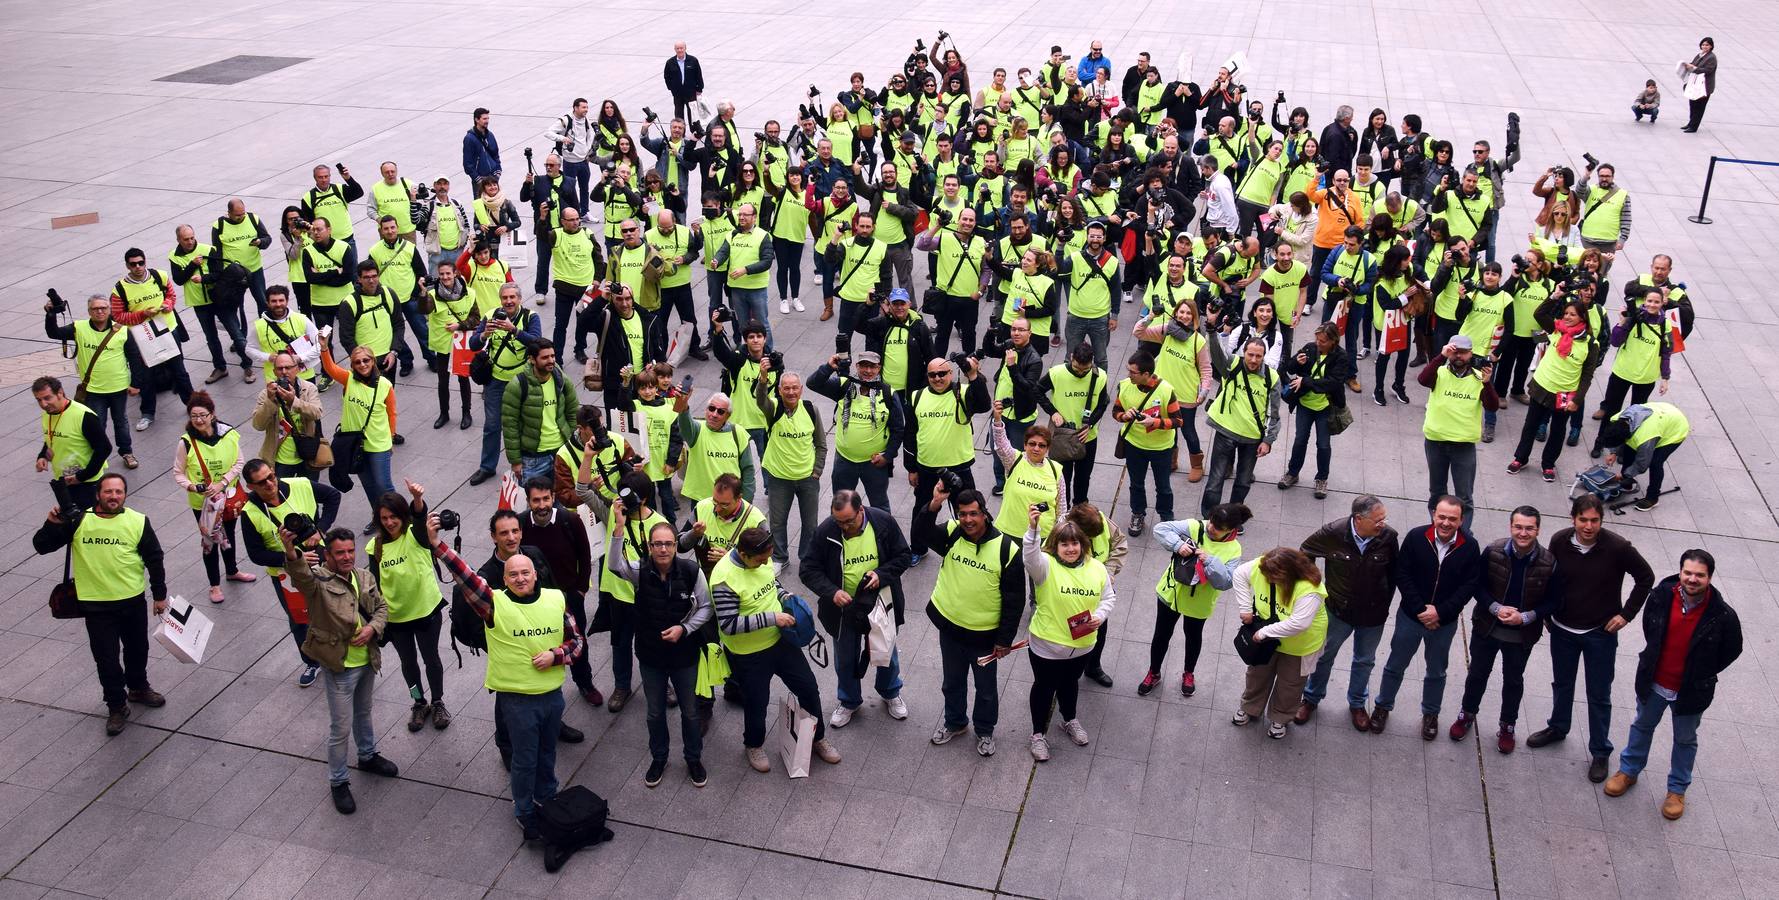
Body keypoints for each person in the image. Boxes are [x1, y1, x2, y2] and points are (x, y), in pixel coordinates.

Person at [433, 516, 584, 838]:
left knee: (547, 754)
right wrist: (438, 546)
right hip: (517, 702)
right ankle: (525, 811)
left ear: (535, 574)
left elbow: (577, 642)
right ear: (503, 578)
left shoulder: (556, 600)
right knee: (525, 760)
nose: (519, 578)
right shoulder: (493, 604)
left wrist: (556, 655)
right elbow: (465, 577)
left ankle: (547, 796)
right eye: (512, 574)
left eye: (525, 573)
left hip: (552, 697)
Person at [1526, 494, 1655, 783]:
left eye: (1594, 520)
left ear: (1601, 520)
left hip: (1599, 634)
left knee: (1599, 694)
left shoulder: (1619, 548)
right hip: (1563, 630)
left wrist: (1626, 615)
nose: (1588, 526)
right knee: (1562, 683)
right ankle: (1558, 727)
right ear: (1573, 519)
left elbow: (1646, 577)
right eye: (1583, 520)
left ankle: (1600, 750)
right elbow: (1548, 577)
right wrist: (1547, 613)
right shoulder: (1559, 541)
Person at [1603, 549, 1740, 820]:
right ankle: (1628, 771)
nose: (1692, 579)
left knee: (1685, 739)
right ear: (1680, 573)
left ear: (1709, 577)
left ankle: (1676, 790)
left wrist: (1703, 672)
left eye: (1699, 575)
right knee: (1642, 725)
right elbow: (1650, 628)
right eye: (1687, 573)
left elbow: (1732, 649)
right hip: (1654, 681)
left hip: (1690, 690)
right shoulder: (1661, 596)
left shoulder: (1722, 615)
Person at [30, 473, 167, 736]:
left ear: (125, 495)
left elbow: (154, 558)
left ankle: (138, 688)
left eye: (118, 492)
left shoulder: (138, 521)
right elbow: (41, 546)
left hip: (132, 601)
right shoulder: (79, 520)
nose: (113, 496)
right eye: (108, 492)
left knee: (138, 649)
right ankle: (116, 705)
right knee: (106, 660)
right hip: (96, 606)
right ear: (97, 494)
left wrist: (159, 595)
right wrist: (51, 524)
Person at [279, 524, 398, 814]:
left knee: (364, 712)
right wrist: (290, 551)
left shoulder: (364, 575)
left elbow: (382, 608)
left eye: (350, 551)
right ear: (328, 557)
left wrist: (372, 628)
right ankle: (338, 781)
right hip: (340, 666)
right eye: (340, 553)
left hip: (367, 660)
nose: (347, 557)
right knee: (340, 727)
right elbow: (299, 577)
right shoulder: (317, 580)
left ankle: (367, 755)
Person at [712, 527, 842, 772]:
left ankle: (818, 737)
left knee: (808, 688)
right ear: (743, 553)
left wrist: (785, 596)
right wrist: (773, 618)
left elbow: (772, 583)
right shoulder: (723, 579)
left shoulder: (763, 558)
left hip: (780, 642)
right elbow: (728, 625)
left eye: (767, 559)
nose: (764, 563)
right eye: (759, 560)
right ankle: (753, 744)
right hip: (749, 655)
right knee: (756, 702)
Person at [913, 482, 1021, 756]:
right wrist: (935, 503)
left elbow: (1014, 601)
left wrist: (1004, 640)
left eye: (973, 514)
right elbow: (920, 534)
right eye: (962, 514)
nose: (968, 520)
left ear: (985, 513)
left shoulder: (1006, 550)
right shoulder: (951, 533)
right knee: (952, 683)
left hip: (985, 638)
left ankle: (984, 731)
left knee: (985, 690)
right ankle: (955, 723)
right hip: (950, 629)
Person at [607, 517, 710, 788]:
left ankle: (693, 759)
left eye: (668, 544)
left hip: (684, 657)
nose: (663, 549)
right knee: (654, 713)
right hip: (651, 657)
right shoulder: (640, 571)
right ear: (650, 547)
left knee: (690, 712)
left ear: (676, 545)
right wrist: (618, 528)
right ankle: (659, 758)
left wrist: (684, 629)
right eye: (657, 544)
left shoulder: (690, 571)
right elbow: (614, 564)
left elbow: (706, 607)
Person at [1451, 506, 1560, 754]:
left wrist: (1525, 617)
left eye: (1529, 528)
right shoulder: (1493, 551)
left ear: (1538, 530)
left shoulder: (1549, 562)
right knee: (1477, 674)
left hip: (1521, 635)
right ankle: (1466, 714)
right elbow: (1476, 586)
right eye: (1518, 527)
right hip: (1487, 628)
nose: (1523, 533)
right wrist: (1495, 608)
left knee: (1513, 681)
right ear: (1511, 527)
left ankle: (1507, 726)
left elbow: (1554, 601)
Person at [1371, 496, 1481, 740]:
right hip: (1411, 617)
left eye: (1452, 519)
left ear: (1461, 520)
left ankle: (1431, 714)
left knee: (1437, 671)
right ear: (1433, 515)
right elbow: (1402, 573)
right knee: (1394, 665)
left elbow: (1469, 585)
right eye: (1441, 516)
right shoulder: (1416, 537)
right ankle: (1382, 706)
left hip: (1444, 623)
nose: (1445, 522)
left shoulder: (1470, 547)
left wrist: (1440, 613)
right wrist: (1421, 609)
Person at [801, 490, 911, 726]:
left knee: (885, 650)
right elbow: (808, 569)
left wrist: (881, 575)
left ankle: (890, 692)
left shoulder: (883, 522)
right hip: (843, 609)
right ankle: (849, 701)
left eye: (848, 521)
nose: (843, 527)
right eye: (838, 521)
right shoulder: (825, 531)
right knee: (845, 657)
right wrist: (832, 592)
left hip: (879, 602)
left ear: (861, 510)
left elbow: (903, 556)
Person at [1298, 496, 1399, 729]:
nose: (1382, 524)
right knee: (1323, 656)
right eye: (1378, 520)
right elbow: (1305, 551)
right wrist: (1313, 584)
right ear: (1358, 519)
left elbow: (1395, 572)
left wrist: (1385, 600)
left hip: (1373, 615)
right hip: (1337, 611)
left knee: (1364, 660)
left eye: (1384, 519)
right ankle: (1311, 699)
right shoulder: (1334, 532)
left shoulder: (1388, 537)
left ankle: (1357, 704)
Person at [239, 459, 342, 686]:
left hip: (321, 560)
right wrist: (292, 558)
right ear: (250, 487)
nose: (269, 484)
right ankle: (312, 662)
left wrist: (320, 528)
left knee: (335, 607)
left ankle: (342, 651)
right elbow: (255, 554)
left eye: (270, 477)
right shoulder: (250, 513)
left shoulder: (300, 484)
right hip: (286, 575)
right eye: (261, 482)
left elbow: (334, 496)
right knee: (300, 618)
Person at [1021, 507, 1114, 761]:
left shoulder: (1097, 568)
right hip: (1046, 646)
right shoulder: (1044, 566)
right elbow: (1029, 556)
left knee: (1070, 684)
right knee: (1044, 687)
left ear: (1083, 544)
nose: (1071, 549)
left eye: (1075, 543)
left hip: (1082, 645)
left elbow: (1108, 598)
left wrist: (1100, 616)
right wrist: (1033, 529)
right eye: (1064, 544)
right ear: (1055, 546)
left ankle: (1069, 719)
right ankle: (1038, 734)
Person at [1143, 504, 1249, 697]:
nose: (1210, 528)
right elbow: (1161, 529)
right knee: (1161, 635)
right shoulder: (1196, 526)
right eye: (1212, 522)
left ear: (1231, 531)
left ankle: (1188, 673)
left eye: (1217, 528)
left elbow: (1225, 582)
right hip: (1171, 594)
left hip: (1199, 601)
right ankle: (1154, 672)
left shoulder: (1234, 550)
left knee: (1193, 637)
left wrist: (1209, 560)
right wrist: (1178, 545)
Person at [369, 482, 450, 732]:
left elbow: (419, 515)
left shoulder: (416, 535)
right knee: (408, 664)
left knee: (431, 659)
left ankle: (437, 701)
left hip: (426, 612)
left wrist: (417, 499)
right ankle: (418, 701)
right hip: (396, 619)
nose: (390, 522)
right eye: (384, 518)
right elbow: (375, 585)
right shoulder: (375, 547)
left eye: (394, 516)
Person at [589, 470, 668, 714]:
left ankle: (664, 685)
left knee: (656, 643)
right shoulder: (616, 515)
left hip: (648, 597)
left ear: (644, 498)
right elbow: (583, 492)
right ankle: (622, 686)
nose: (624, 502)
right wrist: (619, 523)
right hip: (620, 596)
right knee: (620, 644)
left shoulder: (659, 524)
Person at [1229, 547, 1328, 740]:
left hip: (1300, 644)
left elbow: (1298, 624)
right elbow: (1240, 574)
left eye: (1274, 578)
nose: (1268, 580)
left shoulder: (1310, 589)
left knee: (1290, 683)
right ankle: (1250, 707)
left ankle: (1280, 718)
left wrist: (1264, 632)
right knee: (1257, 674)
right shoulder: (1264, 565)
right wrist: (1245, 607)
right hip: (1267, 639)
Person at [518, 477, 599, 710]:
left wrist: (581, 590)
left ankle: (585, 683)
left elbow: (585, 557)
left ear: (553, 498)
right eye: (536, 500)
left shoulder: (569, 520)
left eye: (546, 499)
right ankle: (548, 690)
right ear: (528, 501)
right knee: (540, 644)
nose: (542, 505)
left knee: (577, 641)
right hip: (536, 600)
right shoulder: (521, 524)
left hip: (569, 596)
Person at [903, 356, 990, 564]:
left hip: (959, 466)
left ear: (951, 373)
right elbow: (910, 434)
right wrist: (911, 468)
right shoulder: (917, 396)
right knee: (922, 511)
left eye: (942, 373)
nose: (937, 378)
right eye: (932, 374)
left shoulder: (963, 391)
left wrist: (973, 374)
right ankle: (918, 548)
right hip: (927, 468)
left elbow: (985, 404)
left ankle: (976, 545)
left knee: (971, 508)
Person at [172, 392, 257, 604]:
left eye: (203, 415)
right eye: (194, 416)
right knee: (209, 541)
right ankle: (214, 585)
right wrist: (193, 486)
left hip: (228, 498)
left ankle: (231, 570)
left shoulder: (228, 434)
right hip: (204, 504)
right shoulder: (186, 443)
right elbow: (178, 473)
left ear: (212, 414)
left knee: (228, 535)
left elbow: (239, 462)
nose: (199, 420)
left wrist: (222, 483)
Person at [1508, 300, 1598, 482]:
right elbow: (1539, 314)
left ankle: (1548, 464)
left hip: (1565, 394)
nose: (1568, 317)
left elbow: (1587, 376)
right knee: (1530, 425)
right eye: (1566, 313)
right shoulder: (1556, 329)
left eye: (1573, 314)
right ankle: (1520, 458)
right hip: (1542, 385)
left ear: (1582, 317)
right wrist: (1555, 296)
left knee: (1557, 431)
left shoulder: (1590, 344)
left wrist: (1577, 400)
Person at [42, 294, 134, 470]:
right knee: (97, 424)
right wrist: (50, 314)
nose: (99, 311)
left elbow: (134, 357)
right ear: (88, 311)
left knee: (121, 421)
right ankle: (96, 455)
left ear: (109, 310)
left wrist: (137, 383)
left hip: (118, 387)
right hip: (93, 389)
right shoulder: (79, 328)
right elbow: (53, 333)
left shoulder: (122, 330)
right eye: (95, 309)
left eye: (103, 308)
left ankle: (127, 452)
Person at [318, 340, 397, 534]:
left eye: (366, 360)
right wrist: (324, 348)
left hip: (378, 444)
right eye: (358, 362)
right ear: (352, 365)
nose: (362, 365)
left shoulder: (385, 385)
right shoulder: (348, 379)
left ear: (373, 362)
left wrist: (391, 438)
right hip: (354, 445)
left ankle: (399, 517)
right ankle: (378, 517)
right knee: (369, 485)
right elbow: (329, 367)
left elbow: (391, 413)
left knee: (383, 485)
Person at [110, 247, 194, 431]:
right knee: (146, 376)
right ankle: (147, 413)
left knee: (179, 370)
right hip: (143, 336)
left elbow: (171, 295)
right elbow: (117, 316)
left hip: (168, 329)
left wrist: (168, 305)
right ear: (127, 265)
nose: (138, 267)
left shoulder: (159, 276)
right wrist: (142, 315)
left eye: (141, 263)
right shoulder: (120, 289)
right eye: (133, 264)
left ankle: (192, 405)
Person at [1419, 335, 1498, 527]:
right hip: (1435, 441)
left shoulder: (1480, 379)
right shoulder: (1439, 372)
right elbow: (1422, 379)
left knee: (1464, 496)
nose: (1459, 356)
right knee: (1437, 492)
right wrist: (1440, 356)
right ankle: (1437, 529)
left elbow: (1492, 406)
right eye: (1455, 352)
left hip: (1463, 445)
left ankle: (1462, 536)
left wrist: (1487, 383)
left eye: (1463, 352)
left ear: (1471, 354)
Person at [754, 363, 827, 567]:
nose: (791, 392)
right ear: (779, 390)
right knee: (777, 522)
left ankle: (807, 557)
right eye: (786, 388)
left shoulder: (811, 409)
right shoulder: (773, 408)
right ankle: (779, 558)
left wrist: (817, 471)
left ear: (801, 389)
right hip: (779, 477)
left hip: (807, 478)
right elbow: (761, 400)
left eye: (795, 387)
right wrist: (763, 377)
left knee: (810, 523)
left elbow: (821, 443)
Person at [809, 352, 902, 511]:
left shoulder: (888, 394)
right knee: (840, 506)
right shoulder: (844, 385)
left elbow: (898, 429)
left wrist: (887, 456)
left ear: (878, 368)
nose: (868, 370)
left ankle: (882, 535)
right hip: (844, 461)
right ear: (857, 366)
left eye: (872, 366)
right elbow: (813, 383)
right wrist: (828, 367)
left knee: (880, 507)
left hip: (874, 463)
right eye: (864, 366)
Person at [469, 284, 541, 486]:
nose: (508, 301)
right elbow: (473, 344)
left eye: (512, 297)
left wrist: (514, 330)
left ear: (520, 299)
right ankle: (487, 467)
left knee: (525, 424)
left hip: (523, 382)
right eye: (504, 298)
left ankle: (527, 466)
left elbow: (537, 342)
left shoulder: (530, 317)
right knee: (492, 425)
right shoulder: (491, 315)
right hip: (496, 381)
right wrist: (484, 335)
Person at [1201, 336, 1281, 517]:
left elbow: (1274, 413)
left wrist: (1268, 440)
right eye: (1250, 355)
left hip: (1252, 439)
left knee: (1243, 481)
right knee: (1215, 480)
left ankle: (1233, 519)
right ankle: (1209, 518)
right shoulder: (1233, 364)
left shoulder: (1272, 378)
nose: (1253, 360)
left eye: (1258, 356)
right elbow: (1216, 354)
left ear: (1264, 356)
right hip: (1225, 431)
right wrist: (1213, 331)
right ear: (1243, 353)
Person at [1590, 289, 1673, 457]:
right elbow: (1615, 341)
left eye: (1656, 302)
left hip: (1646, 378)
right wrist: (1622, 322)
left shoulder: (1666, 324)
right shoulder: (1634, 317)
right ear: (1644, 300)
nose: (1652, 305)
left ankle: (1625, 448)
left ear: (1662, 303)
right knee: (1611, 411)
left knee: (1636, 416)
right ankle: (1601, 441)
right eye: (1649, 301)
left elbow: (1666, 352)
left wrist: (1665, 378)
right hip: (1622, 372)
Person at [169, 223, 253, 384]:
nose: (190, 241)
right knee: (211, 337)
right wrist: (192, 265)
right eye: (186, 239)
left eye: (192, 237)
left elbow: (220, 273)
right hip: (199, 303)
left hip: (220, 299)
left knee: (236, 333)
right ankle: (220, 367)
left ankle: (247, 365)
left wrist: (204, 279)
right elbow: (179, 280)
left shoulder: (208, 250)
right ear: (178, 239)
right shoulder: (174, 256)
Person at [1112, 350, 1181, 536]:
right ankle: (1138, 513)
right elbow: (1116, 410)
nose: (1128, 375)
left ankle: (1166, 518)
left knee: (1163, 486)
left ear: (1146, 374)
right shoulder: (1125, 386)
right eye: (1128, 370)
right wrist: (1123, 416)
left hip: (1161, 448)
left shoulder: (1166, 390)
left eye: (1133, 372)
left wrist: (1156, 423)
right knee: (1136, 483)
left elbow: (1178, 421)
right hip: (1134, 445)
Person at [1277, 323, 1350, 498]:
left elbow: (1333, 383)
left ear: (1333, 341)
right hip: (1304, 404)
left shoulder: (1341, 357)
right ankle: (1292, 473)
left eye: (1323, 341)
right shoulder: (1310, 349)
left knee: (1323, 445)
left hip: (1326, 407)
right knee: (1300, 440)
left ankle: (1322, 479)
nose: (1318, 344)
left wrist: (1306, 381)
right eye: (1317, 339)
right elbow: (1289, 368)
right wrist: (1296, 362)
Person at [1037, 341, 1112, 503]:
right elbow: (1037, 390)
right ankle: (1063, 512)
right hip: (1062, 436)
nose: (1081, 373)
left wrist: (1090, 424)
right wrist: (1052, 411)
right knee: (1062, 479)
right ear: (1071, 357)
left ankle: (1079, 509)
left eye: (1085, 369)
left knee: (1083, 477)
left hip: (1087, 437)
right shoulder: (1057, 373)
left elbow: (1102, 404)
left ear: (1092, 361)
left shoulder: (1099, 376)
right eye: (1077, 368)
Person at [501, 340, 578, 483]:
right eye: (545, 357)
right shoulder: (517, 385)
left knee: (562, 502)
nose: (551, 361)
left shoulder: (561, 379)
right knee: (535, 503)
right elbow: (509, 425)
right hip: (532, 458)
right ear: (531, 359)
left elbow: (573, 411)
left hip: (561, 451)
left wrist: (572, 441)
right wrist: (516, 461)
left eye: (553, 356)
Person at [33, 376, 112, 511]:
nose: (43, 404)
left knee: (87, 522)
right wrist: (42, 456)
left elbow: (104, 448)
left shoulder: (83, 415)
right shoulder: (48, 413)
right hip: (63, 480)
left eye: (47, 398)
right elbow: (51, 436)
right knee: (72, 520)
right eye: (38, 400)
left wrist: (81, 477)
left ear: (60, 393)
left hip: (87, 483)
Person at [1599, 402, 1690, 511]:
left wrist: (1624, 475)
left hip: (1676, 428)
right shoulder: (1616, 419)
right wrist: (1613, 452)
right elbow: (1623, 442)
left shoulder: (1644, 438)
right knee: (1629, 450)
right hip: (1661, 412)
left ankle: (1652, 498)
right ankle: (1626, 484)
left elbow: (1642, 464)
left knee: (1655, 463)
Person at [250, 350, 325, 479]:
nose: (284, 372)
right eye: (280, 368)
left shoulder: (308, 388)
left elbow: (317, 413)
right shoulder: (266, 394)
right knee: (283, 496)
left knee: (308, 494)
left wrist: (293, 401)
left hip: (307, 453)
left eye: (288, 367)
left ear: (297, 369)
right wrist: (270, 401)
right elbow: (258, 425)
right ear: (274, 372)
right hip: (280, 459)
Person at [211, 198, 274, 313]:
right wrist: (219, 274)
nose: (241, 217)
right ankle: (240, 330)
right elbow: (217, 253)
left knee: (263, 301)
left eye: (243, 213)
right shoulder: (219, 226)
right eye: (237, 215)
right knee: (236, 304)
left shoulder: (252, 219)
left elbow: (267, 239)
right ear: (229, 213)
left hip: (255, 269)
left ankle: (266, 326)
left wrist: (260, 242)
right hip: (234, 273)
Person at [1574, 163, 1629, 278]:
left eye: (1607, 176)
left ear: (1612, 177)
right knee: (1581, 272)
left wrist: (1623, 239)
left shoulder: (1623, 195)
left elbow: (1626, 219)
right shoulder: (1591, 190)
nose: (1604, 178)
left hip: (1608, 244)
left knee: (1600, 275)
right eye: (1601, 176)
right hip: (1587, 240)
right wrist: (1586, 175)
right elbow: (1578, 191)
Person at [1680, 37, 1717, 132]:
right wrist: (1688, 65)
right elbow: (1694, 63)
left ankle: (1694, 126)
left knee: (1699, 107)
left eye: (1707, 45)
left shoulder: (1711, 57)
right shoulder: (1700, 55)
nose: (1704, 46)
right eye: (1703, 44)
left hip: (1704, 87)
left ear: (1711, 46)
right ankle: (1690, 123)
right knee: (1692, 105)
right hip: (1695, 84)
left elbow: (1708, 70)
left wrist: (1694, 68)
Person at [664, 44, 706, 122]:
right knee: (678, 113)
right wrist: (671, 88)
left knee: (693, 113)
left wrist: (699, 88)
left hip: (691, 92)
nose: (679, 50)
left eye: (681, 48)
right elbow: (667, 77)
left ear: (685, 48)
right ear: (675, 49)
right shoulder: (670, 62)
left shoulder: (693, 60)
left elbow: (698, 75)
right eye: (677, 48)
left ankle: (695, 131)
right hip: (677, 93)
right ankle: (680, 131)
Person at [462, 108, 501, 183]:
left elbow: (496, 154)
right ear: (476, 120)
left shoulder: (490, 135)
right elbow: (467, 163)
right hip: (480, 180)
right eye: (484, 119)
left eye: (488, 118)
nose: (487, 121)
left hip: (493, 177)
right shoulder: (469, 139)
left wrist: (498, 171)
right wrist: (477, 179)